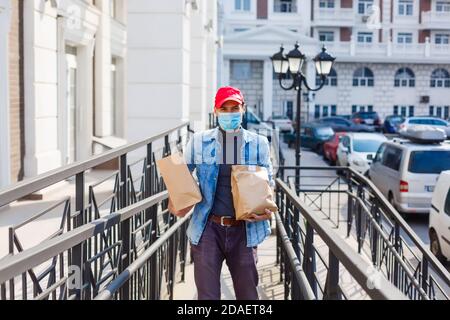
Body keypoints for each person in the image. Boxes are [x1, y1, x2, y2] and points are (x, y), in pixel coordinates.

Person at [168, 86, 274, 300]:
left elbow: (268, 185)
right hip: (208, 228)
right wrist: (176, 198)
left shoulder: (258, 144)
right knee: (207, 298)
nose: (229, 113)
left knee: (248, 297)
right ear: (215, 111)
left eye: (234, 108)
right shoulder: (199, 141)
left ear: (243, 109)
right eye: (223, 109)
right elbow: (180, 176)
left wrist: (268, 210)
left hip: (245, 229)